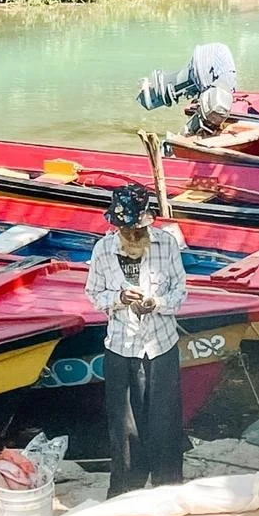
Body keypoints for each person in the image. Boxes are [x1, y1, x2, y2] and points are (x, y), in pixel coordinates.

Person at [86, 182, 187, 498]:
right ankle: (127, 490)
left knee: (165, 419)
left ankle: (167, 486)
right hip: (121, 347)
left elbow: (180, 291)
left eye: (136, 229)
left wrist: (156, 303)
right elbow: (94, 293)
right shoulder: (103, 250)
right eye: (126, 230)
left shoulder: (166, 244)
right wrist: (118, 298)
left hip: (161, 345)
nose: (131, 235)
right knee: (124, 425)